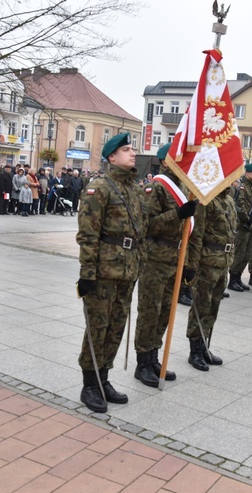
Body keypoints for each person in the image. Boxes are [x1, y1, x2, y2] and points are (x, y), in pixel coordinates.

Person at [76, 133, 147, 413]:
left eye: (133, 149)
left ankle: (103, 377)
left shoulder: (135, 189)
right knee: (98, 327)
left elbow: (143, 228)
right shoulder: (99, 188)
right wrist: (87, 273)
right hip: (104, 270)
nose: (133, 154)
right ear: (111, 157)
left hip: (128, 270)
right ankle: (89, 384)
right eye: (127, 150)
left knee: (116, 326)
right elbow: (88, 235)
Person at [133, 143, 196, 387]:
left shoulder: (180, 188)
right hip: (154, 260)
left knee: (165, 313)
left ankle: (153, 357)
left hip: (173, 259)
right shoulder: (157, 187)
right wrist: (177, 215)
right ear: (167, 162)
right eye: (180, 159)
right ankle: (142, 364)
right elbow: (146, 224)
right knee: (150, 312)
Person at [185, 182, 237, 370]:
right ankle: (195, 350)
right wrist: (192, 265)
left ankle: (205, 345)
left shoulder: (229, 200)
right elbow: (197, 235)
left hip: (223, 261)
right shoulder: (206, 200)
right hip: (207, 262)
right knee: (201, 305)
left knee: (214, 305)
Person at [228, 163, 252, 292]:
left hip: (250, 226)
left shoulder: (250, 188)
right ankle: (233, 280)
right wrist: (247, 218)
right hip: (243, 225)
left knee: (247, 255)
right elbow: (240, 206)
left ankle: (238, 277)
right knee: (239, 254)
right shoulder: (242, 187)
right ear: (247, 173)